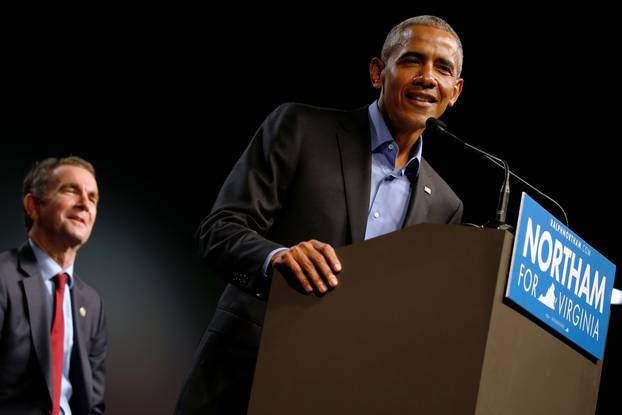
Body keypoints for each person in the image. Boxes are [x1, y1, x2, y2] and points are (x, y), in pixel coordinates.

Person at [176, 15, 464, 414]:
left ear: (455, 91)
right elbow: (219, 230)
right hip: (246, 377)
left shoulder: (446, 206)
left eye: (442, 68)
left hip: (342, 392)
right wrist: (276, 258)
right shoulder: (300, 127)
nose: (427, 77)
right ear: (378, 72)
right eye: (413, 60)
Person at [0, 156, 106, 414]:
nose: (84, 204)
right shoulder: (3, 279)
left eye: (92, 198)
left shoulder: (92, 303)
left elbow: (94, 405)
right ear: (33, 206)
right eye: (71, 190)